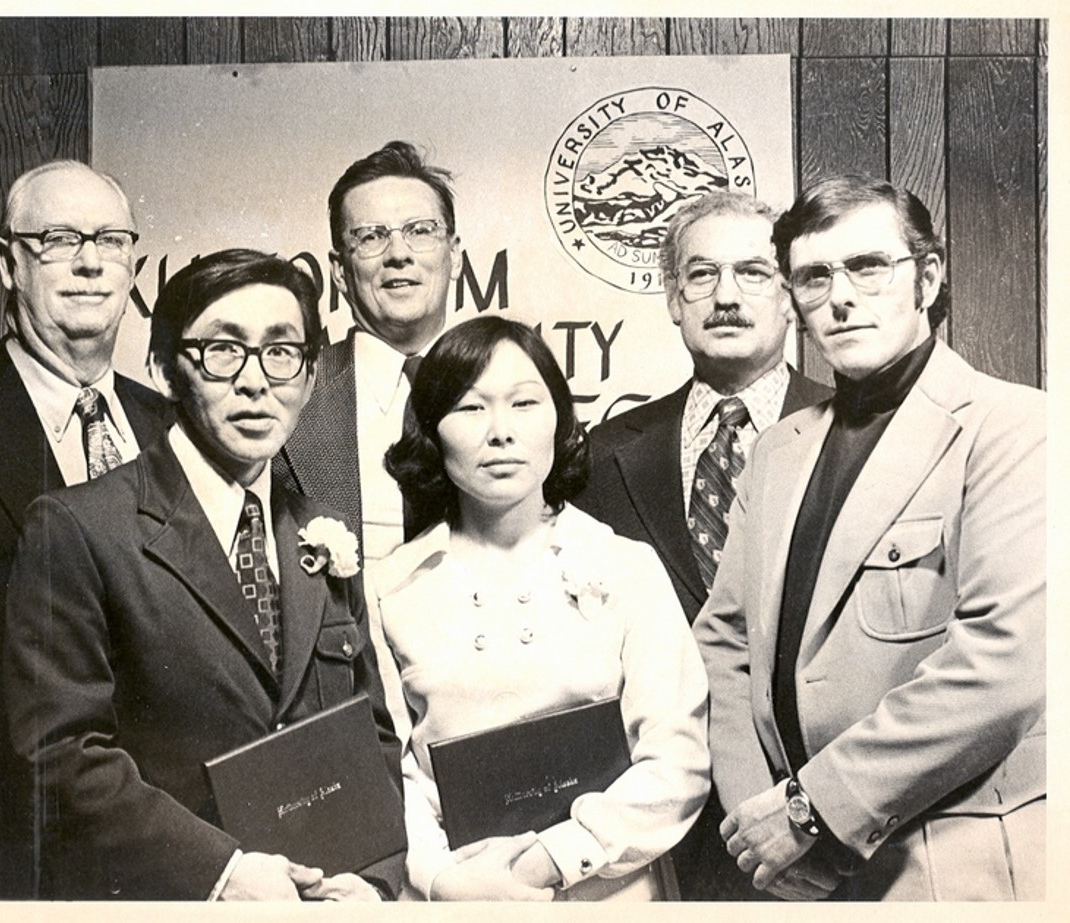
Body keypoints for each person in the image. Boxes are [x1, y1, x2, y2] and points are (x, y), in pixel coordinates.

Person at [4, 249, 403, 900]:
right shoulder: (78, 528)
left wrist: (374, 878)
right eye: (223, 350)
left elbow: (373, 729)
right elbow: (61, 751)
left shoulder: (321, 526)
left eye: (282, 352)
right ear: (165, 368)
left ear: (308, 376)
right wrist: (221, 873)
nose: (256, 381)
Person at [693, 175, 1045, 901]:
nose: (841, 296)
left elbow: (1005, 664)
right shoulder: (779, 449)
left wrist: (811, 809)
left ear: (929, 276)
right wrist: (764, 823)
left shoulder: (1017, 427)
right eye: (814, 276)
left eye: (867, 266)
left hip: (956, 860)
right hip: (804, 874)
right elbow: (723, 641)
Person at [369, 316, 710, 901]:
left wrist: (549, 860)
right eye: (471, 409)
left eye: (524, 403)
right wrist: (446, 880)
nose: (500, 432)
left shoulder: (626, 566)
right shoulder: (391, 586)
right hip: (453, 898)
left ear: (559, 420)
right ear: (431, 430)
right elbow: (390, 773)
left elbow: (678, 760)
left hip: (610, 892)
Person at [574, 190, 831, 900]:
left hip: (812, 819)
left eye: (753, 273)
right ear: (672, 298)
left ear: (789, 298)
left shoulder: (855, 434)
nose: (726, 296)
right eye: (700, 274)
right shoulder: (603, 455)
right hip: (655, 826)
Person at [0, 160, 167, 897]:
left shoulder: (173, 427)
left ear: (133, 263)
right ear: (7, 262)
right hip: (11, 863)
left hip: (177, 853)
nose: (91, 262)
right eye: (59, 239)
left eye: (111, 240)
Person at [275, 140, 463, 563]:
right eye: (372, 237)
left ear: (454, 253)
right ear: (340, 271)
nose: (399, 254)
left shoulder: (507, 388)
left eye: (420, 231)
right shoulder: (284, 393)